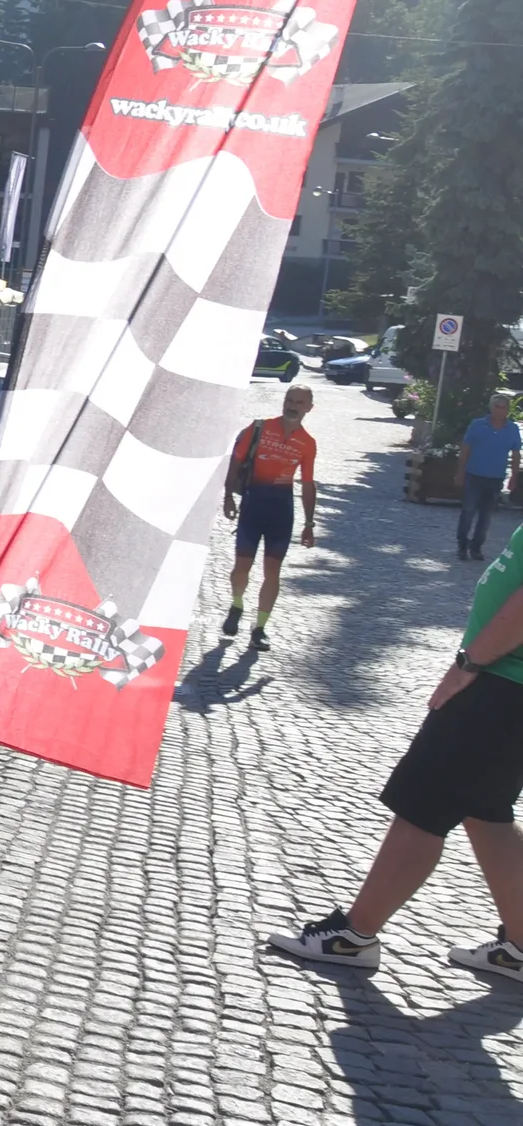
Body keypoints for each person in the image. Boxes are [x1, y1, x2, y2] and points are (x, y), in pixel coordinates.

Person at [266, 519, 523, 984]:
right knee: (486, 813)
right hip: (509, 690)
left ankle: (354, 937)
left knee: (422, 804)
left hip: (502, 687)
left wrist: (469, 663)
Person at [220, 383, 318, 653]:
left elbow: (308, 484)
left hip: (281, 509)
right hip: (253, 504)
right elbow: (236, 462)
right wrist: (229, 496)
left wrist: (309, 524)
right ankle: (237, 605)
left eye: (300, 403)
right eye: (290, 399)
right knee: (242, 566)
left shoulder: (308, 443)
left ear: (309, 408)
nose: (293, 406)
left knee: (272, 571)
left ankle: (259, 629)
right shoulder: (260, 428)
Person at [456, 391, 522, 561]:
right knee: (468, 512)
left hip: (495, 478)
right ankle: (462, 545)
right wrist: (459, 472)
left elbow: (516, 455)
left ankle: (476, 547)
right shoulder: (477, 425)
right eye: (497, 406)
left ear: (508, 410)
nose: (500, 410)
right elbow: (465, 450)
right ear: (491, 407)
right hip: (474, 475)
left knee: (485, 517)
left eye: (503, 407)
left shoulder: (512, 429)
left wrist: (514, 477)